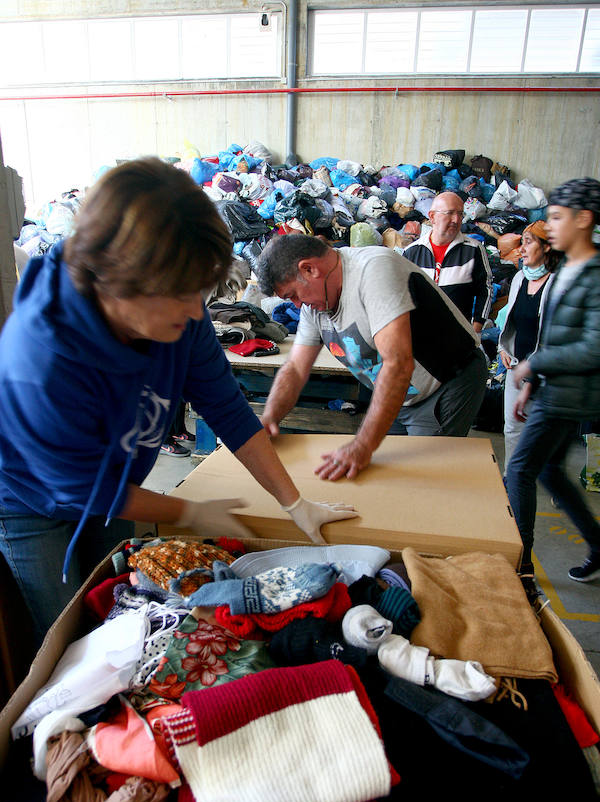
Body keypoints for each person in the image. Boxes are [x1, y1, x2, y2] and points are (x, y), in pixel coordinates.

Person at [0, 158, 356, 645]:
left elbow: (227, 409)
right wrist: (187, 512)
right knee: (64, 635)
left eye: (200, 291)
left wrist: (293, 501)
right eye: (180, 294)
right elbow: (79, 490)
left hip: (116, 481)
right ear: (119, 281)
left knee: (114, 605)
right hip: (31, 500)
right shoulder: (41, 356)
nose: (195, 312)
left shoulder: (179, 312)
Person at [256, 234, 488, 481]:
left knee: (424, 481)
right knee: (384, 476)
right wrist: (269, 418)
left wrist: (362, 445)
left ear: (309, 269)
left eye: (293, 294)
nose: (296, 305)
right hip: (400, 395)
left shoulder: (373, 270)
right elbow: (295, 368)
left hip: (444, 386)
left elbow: (397, 365)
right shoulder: (313, 305)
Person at [506, 177, 600, 587]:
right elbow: (553, 334)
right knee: (548, 472)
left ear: (584, 219)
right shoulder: (566, 268)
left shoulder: (595, 275)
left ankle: (521, 565)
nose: (551, 226)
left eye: (558, 218)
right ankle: (598, 543)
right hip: (552, 388)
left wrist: (534, 364)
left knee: (520, 470)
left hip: (569, 395)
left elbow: (594, 348)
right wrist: (532, 382)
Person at [498, 221, 561, 473]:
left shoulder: (558, 285)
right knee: (512, 428)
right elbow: (510, 321)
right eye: (521, 242)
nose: (521, 249)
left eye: (528, 242)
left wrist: (532, 379)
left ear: (546, 247)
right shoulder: (519, 278)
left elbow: (554, 338)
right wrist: (503, 348)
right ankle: (510, 480)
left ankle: (539, 481)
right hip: (517, 367)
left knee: (540, 437)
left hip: (545, 374)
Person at [402, 191, 493, 333]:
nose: (456, 220)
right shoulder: (412, 252)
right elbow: (401, 295)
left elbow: (485, 290)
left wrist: (476, 328)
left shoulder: (473, 250)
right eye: (449, 213)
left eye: (460, 214)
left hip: (458, 337)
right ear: (432, 216)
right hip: (420, 337)